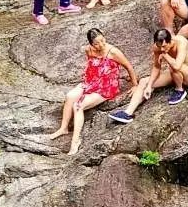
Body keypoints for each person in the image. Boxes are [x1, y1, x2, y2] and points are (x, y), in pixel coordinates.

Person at [49, 27, 138, 156]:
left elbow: (128, 66)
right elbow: (91, 65)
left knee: (78, 105)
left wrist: (135, 85)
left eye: (102, 40)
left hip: (106, 86)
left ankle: (75, 141)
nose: (101, 45)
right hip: (91, 81)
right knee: (70, 96)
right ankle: (63, 128)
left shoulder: (113, 52)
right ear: (91, 44)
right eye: (96, 43)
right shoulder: (88, 50)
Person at [110, 28, 188, 122]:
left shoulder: (181, 42)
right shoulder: (157, 48)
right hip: (174, 74)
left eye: (164, 46)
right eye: (159, 46)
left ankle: (179, 90)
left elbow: (177, 66)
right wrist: (149, 86)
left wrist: (165, 55)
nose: (162, 49)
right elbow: (157, 67)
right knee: (144, 81)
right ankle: (127, 113)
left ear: (170, 41)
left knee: (173, 66)